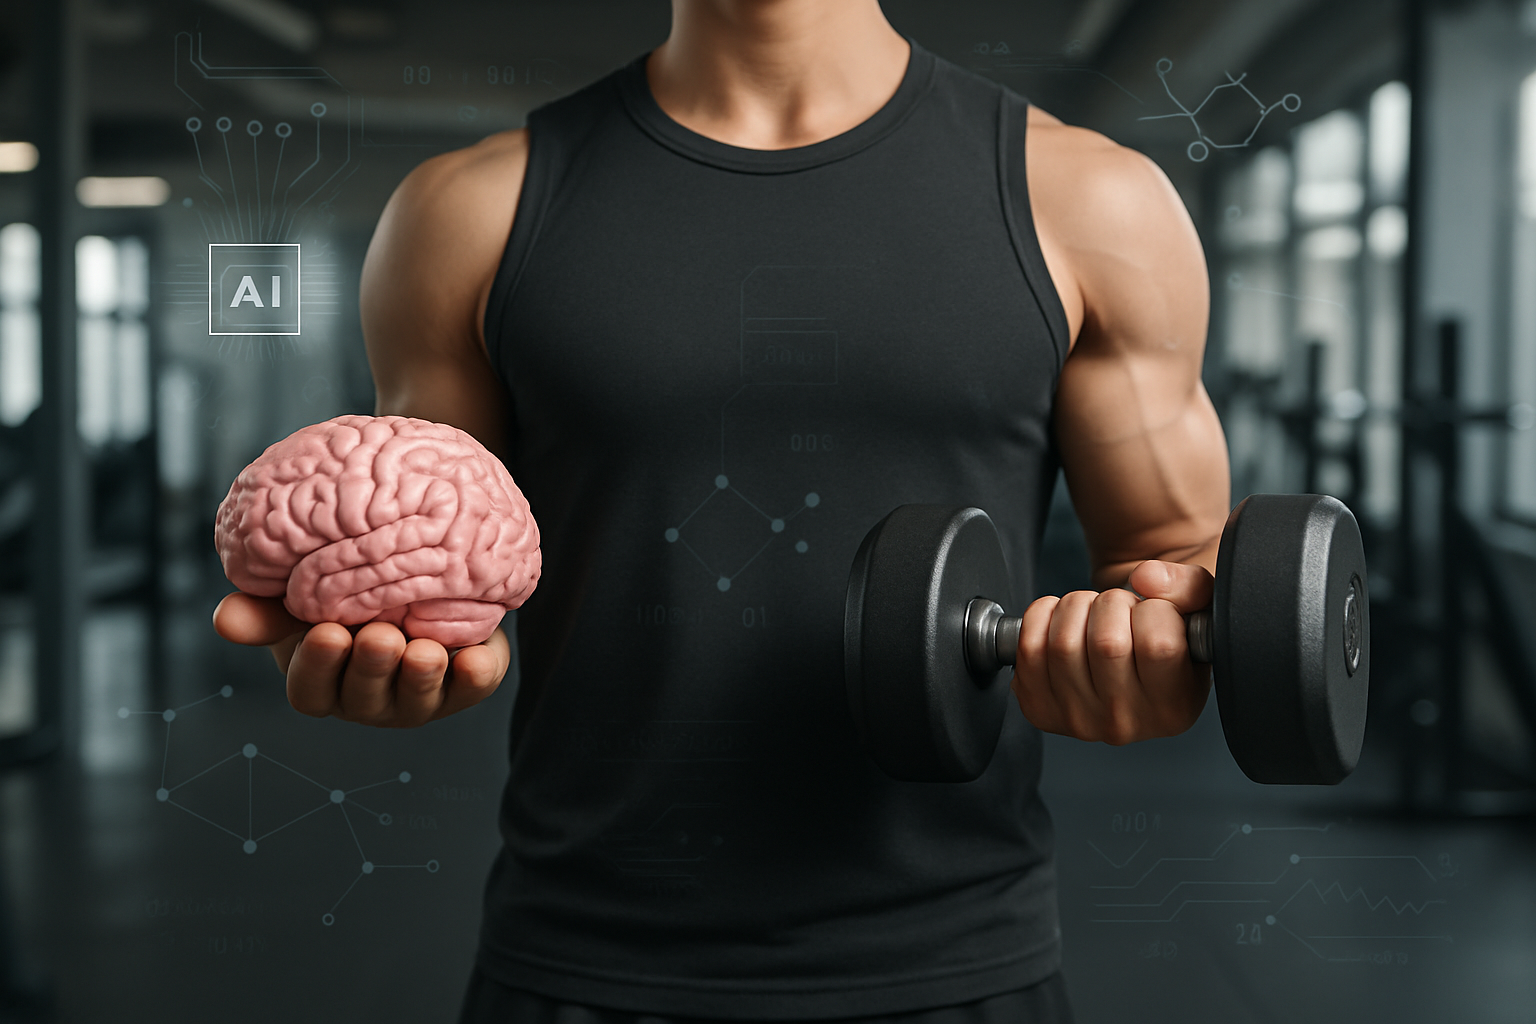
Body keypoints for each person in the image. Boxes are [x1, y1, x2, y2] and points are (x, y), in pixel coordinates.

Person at [214, 1, 1229, 1020]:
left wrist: (1149, 657)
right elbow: (420, 576)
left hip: (959, 960)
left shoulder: (1093, 202)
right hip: (581, 958)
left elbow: (1177, 563)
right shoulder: (468, 210)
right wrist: (390, 658)